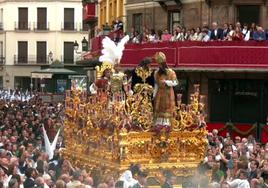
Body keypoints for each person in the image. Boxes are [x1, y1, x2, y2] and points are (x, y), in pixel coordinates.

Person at [153, 52, 178, 127]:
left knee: (168, 109)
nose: (159, 66)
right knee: (159, 109)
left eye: (160, 64)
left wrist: (166, 82)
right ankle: (159, 126)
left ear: (163, 64)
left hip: (168, 94)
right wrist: (153, 95)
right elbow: (156, 85)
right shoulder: (156, 73)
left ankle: (168, 126)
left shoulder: (171, 72)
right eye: (158, 64)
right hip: (159, 94)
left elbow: (176, 82)